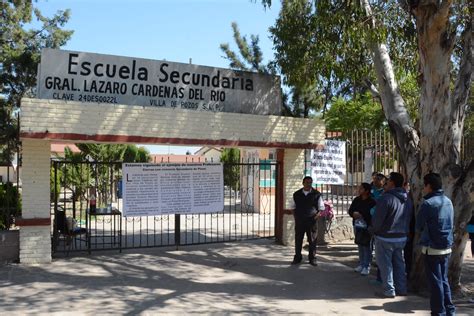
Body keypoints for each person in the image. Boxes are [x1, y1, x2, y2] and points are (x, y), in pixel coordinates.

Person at [416, 173, 455, 315]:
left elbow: (418, 225)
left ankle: (438, 312)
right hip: (446, 247)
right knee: (443, 280)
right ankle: (450, 310)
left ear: (429, 186)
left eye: (424, 185)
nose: (423, 188)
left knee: (435, 283)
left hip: (431, 249)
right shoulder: (448, 201)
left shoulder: (427, 204)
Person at [371, 172, 411, 298]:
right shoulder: (407, 198)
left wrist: (373, 230)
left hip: (385, 237)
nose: (385, 183)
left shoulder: (386, 198)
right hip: (401, 236)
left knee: (385, 265)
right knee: (399, 263)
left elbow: (378, 220)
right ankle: (402, 288)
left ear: (392, 183)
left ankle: (389, 290)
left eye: (387, 181)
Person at [290, 176, 325, 266]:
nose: (308, 184)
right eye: (307, 182)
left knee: (312, 240)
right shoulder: (297, 194)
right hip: (300, 221)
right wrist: (296, 217)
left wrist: (317, 216)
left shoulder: (316, 194)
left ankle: (312, 258)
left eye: (310, 182)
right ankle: (297, 257)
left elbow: (321, 208)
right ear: (303, 183)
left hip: (312, 221)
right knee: (298, 239)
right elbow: (292, 207)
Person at [348, 183, 376, 275]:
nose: (359, 190)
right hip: (357, 226)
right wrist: (353, 214)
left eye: (361, 188)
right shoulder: (357, 200)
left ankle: (367, 265)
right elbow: (350, 210)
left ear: (366, 191)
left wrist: (362, 215)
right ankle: (361, 263)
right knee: (360, 244)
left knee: (367, 246)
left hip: (367, 226)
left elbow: (373, 214)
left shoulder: (372, 202)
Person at [403, 181, 415, 280]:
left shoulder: (408, 199)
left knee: (408, 255)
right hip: (407, 230)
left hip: (410, 231)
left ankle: (409, 273)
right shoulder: (407, 198)